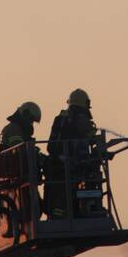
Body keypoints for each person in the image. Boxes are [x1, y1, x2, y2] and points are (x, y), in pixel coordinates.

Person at [45, 88, 102, 218]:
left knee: (59, 196)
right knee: (88, 181)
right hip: (72, 165)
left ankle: (60, 215)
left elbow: (51, 145)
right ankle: (89, 209)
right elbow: (90, 138)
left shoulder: (60, 119)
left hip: (56, 164)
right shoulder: (80, 119)